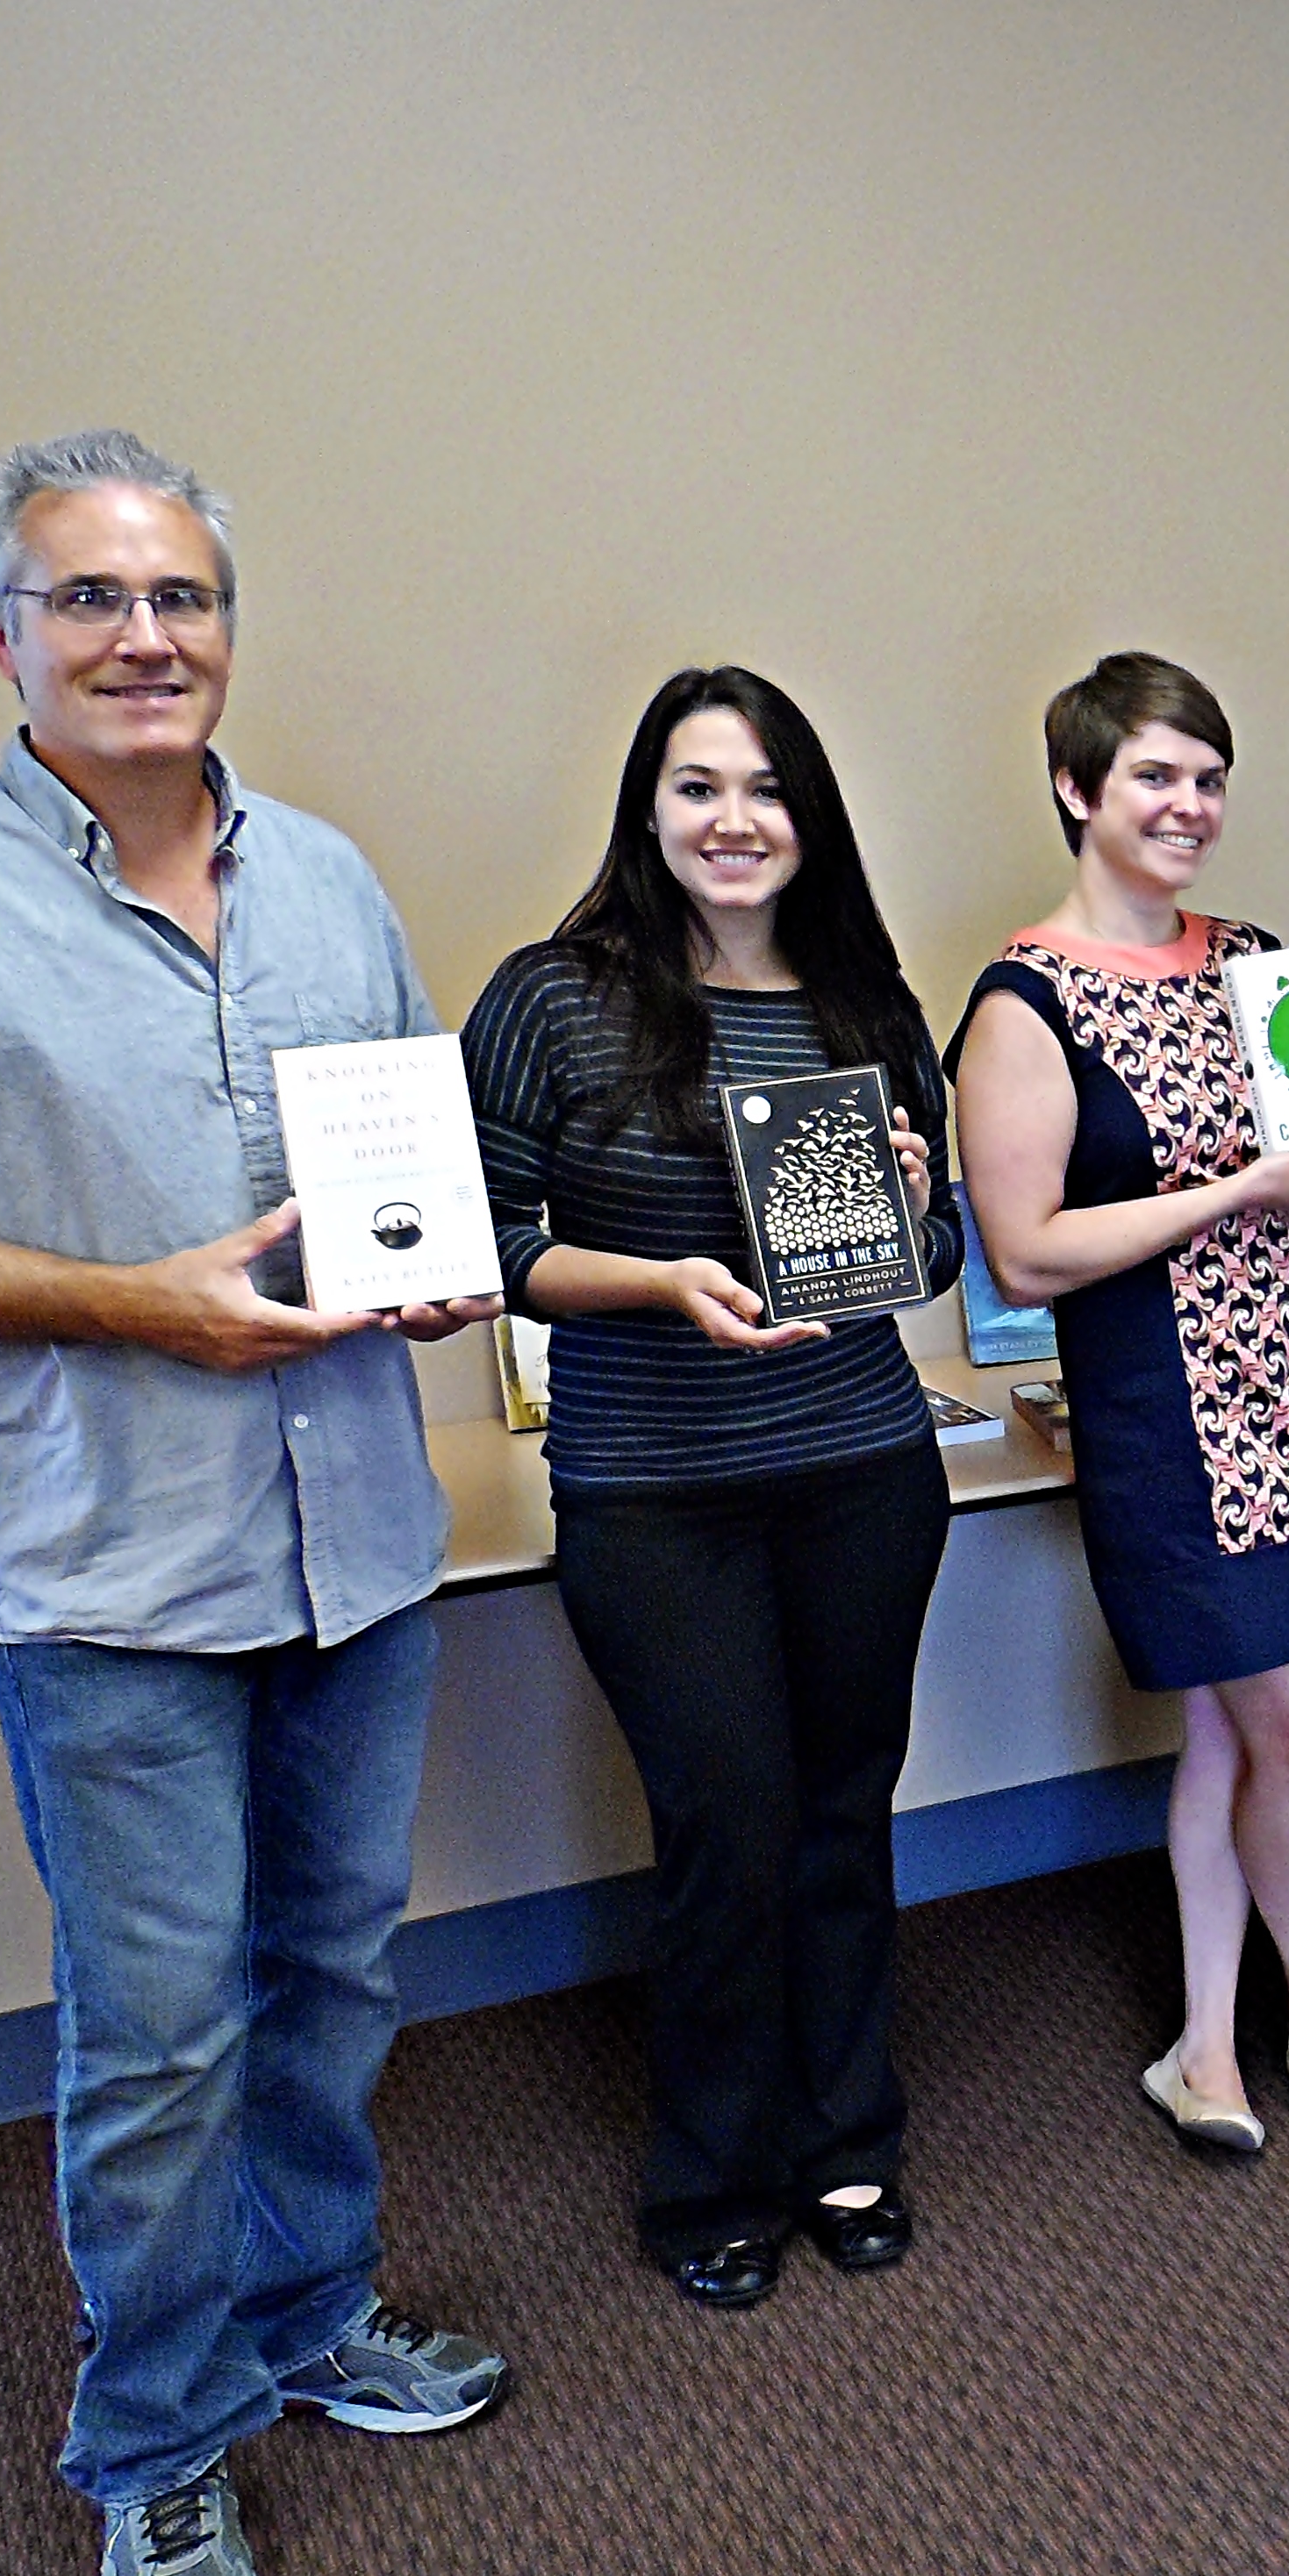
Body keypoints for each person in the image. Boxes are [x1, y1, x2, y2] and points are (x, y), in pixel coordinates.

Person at [0, 432, 508, 2576]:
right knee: (160, 2030)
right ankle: (157, 2437)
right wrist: (132, 1303)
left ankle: (311, 2312)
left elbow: (396, 1170)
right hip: (105, 1569)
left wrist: (430, 1266)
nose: (146, 636)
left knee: (338, 1967)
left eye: (182, 596)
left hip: (351, 1537)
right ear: (3, 632)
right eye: (91, 597)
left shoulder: (330, 880)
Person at [463, 668, 963, 2308]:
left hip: (861, 1469)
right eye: (698, 787)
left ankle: (849, 2138)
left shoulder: (866, 1004)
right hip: (655, 1488)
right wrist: (662, 1283)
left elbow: (933, 1257)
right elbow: (486, 1245)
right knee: (724, 1828)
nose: (734, 820)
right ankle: (716, 2174)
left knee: (841, 1810)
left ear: (810, 818)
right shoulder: (553, 1000)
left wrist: (909, 1207)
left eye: (766, 789)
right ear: (649, 811)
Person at [952, 654, 1289, 2149]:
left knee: (1234, 1736)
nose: (1189, 805)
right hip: (1172, 1421)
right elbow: (1028, 1250)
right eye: (1154, 775)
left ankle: (1207, 2046)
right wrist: (1237, 1192)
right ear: (1076, 788)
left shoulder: (1258, 959)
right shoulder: (1023, 1004)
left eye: (1209, 778)